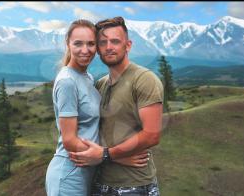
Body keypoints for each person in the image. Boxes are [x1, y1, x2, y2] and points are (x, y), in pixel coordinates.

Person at [45, 19, 148, 196]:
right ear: (68, 44)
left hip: (85, 173)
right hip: (69, 173)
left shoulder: (87, 78)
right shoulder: (67, 81)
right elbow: (69, 140)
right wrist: (117, 157)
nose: (85, 50)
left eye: (91, 44)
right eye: (78, 43)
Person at [69, 16, 164, 195]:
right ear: (98, 49)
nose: (109, 47)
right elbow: (93, 133)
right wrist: (114, 157)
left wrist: (107, 154)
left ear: (128, 45)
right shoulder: (100, 84)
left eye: (115, 41)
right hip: (99, 183)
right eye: (103, 42)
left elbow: (152, 135)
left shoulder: (144, 80)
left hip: (134, 186)